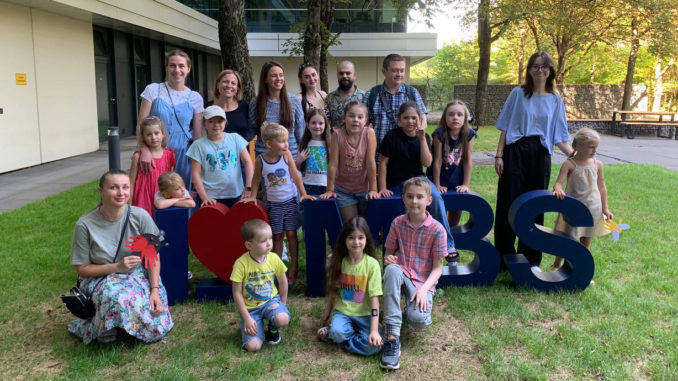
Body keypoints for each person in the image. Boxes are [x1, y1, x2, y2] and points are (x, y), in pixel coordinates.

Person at [68, 170, 173, 344]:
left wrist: (154, 289)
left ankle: (121, 321)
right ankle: (108, 325)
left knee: (154, 318)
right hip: (100, 276)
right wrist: (117, 267)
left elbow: (152, 255)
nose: (121, 193)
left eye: (125, 187)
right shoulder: (85, 225)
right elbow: (82, 269)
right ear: (100, 191)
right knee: (117, 297)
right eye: (113, 188)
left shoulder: (139, 216)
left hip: (135, 274)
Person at [494, 51, 573, 267]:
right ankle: (503, 257)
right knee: (508, 204)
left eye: (544, 66)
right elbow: (505, 126)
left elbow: (560, 137)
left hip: (540, 155)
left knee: (534, 206)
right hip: (515, 152)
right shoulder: (518, 93)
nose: (540, 70)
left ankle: (529, 258)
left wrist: (577, 157)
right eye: (535, 66)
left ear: (551, 70)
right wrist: (499, 155)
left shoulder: (556, 100)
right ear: (529, 70)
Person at [380, 177, 445, 370]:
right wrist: (388, 259)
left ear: (429, 200)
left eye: (419, 197)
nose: (414, 201)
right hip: (401, 272)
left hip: (422, 282)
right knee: (391, 270)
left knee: (417, 320)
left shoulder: (437, 230)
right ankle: (392, 338)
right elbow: (388, 255)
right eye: (410, 197)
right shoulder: (397, 223)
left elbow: (438, 268)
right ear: (403, 199)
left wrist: (424, 290)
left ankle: (408, 306)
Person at [378, 101, 457, 257]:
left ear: (419, 119)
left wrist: (421, 139)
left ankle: (448, 244)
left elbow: (427, 163)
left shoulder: (424, 137)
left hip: (418, 179)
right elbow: (383, 164)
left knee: (435, 197)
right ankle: (398, 250)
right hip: (397, 182)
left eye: (414, 118)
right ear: (399, 119)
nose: (410, 121)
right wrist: (382, 187)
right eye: (406, 118)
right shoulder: (392, 136)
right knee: (402, 207)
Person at [241, 122, 316, 285]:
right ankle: (277, 270)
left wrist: (303, 194)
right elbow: (256, 179)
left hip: (290, 202)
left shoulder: (287, 155)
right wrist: (253, 195)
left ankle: (294, 269)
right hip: (274, 205)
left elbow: (296, 176)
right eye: (282, 141)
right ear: (269, 144)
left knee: (291, 235)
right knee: (277, 236)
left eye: (287, 140)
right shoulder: (261, 160)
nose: (286, 144)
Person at [137, 49, 204, 188]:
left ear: (188, 68)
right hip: (155, 150)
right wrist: (144, 149)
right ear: (167, 67)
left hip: (184, 153)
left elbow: (198, 135)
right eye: (172, 65)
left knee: (181, 192)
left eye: (181, 66)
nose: (177, 70)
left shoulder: (195, 97)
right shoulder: (153, 90)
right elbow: (141, 125)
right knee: (154, 191)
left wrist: (198, 163)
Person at [317, 217, 382, 356]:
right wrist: (328, 312)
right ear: (344, 240)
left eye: (360, 237)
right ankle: (336, 333)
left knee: (373, 347)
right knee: (337, 332)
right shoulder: (338, 261)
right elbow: (334, 290)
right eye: (351, 237)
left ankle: (341, 339)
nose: (356, 242)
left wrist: (374, 329)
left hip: (365, 314)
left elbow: (374, 299)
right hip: (343, 313)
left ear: (366, 239)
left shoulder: (372, 265)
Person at [552, 128, 613, 270]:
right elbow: (558, 183)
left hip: (592, 208)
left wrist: (605, 208)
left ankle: (580, 268)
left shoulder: (598, 164)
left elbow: (602, 187)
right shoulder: (569, 164)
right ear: (578, 146)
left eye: (596, 147)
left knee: (586, 240)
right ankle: (556, 265)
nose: (595, 150)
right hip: (572, 208)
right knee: (565, 238)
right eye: (592, 147)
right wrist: (558, 188)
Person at [426, 100, 476, 263]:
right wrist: (437, 184)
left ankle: (450, 240)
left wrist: (466, 184)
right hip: (440, 177)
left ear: (465, 118)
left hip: (457, 177)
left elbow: (468, 160)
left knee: (456, 211)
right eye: (451, 114)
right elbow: (437, 161)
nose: (455, 117)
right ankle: (438, 240)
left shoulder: (469, 135)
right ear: (445, 117)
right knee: (440, 207)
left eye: (460, 114)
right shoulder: (439, 134)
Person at [230, 219, 290, 352]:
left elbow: (283, 282)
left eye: (270, 238)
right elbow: (237, 293)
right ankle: (256, 327)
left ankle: (273, 330)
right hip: (251, 309)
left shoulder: (274, 258)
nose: (269, 243)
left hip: (271, 302)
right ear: (249, 245)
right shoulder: (241, 264)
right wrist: (247, 318)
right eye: (263, 241)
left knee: (282, 318)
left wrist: (283, 304)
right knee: (254, 347)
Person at [320, 101, 380, 222]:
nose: (355, 120)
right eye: (351, 116)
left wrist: (373, 189)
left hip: (365, 188)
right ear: (344, 118)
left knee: (365, 225)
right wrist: (329, 189)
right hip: (343, 190)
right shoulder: (337, 135)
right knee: (352, 225)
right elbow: (333, 164)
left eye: (360, 117)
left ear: (366, 120)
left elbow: (370, 162)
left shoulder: (369, 133)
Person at [187, 105, 253, 208]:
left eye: (219, 121)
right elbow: (195, 173)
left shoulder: (235, 138)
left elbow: (248, 162)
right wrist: (204, 197)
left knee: (237, 223)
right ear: (204, 123)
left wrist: (249, 187)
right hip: (211, 197)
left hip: (236, 194)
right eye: (211, 121)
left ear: (225, 122)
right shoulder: (198, 145)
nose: (216, 125)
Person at [364, 53, 427, 156]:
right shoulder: (372, 94)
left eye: (402, 70)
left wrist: (421, 131)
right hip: (378, 156)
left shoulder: (412, 93)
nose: (399, 74)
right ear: (384, 71)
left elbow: (423, 117)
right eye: (394, 70)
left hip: (405, 156)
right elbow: (363, 123)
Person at [249, 61, 305, 159]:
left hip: (290, 158)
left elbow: (301, 134)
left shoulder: (294, 101)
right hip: (265, 160)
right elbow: (250, 132)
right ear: (265, 79)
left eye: (281, 75)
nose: (279, 79)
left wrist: (302, 158)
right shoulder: (256, 102)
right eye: (274, 76)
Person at [129, 116, 175, 217]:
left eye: (156, 133)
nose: (153, 137)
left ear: (163, 134)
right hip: (143, 199)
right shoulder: (138, 156)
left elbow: (170, 181)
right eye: (148, 135)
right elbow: (131, 183)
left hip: (161, 198)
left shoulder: (169, 155)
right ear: (143, 137)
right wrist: (128, 207)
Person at [295, 108, 331, 196]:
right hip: (307, 186)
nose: (317, 126)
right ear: (307, 125)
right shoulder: (303, 144)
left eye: (321, 123)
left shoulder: (330, 144)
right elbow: (296, 168)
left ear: (325, 125)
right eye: (313, 123)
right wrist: (299, 161)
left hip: (327, 186)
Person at [211, 69, 255, 142]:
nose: (229, 86)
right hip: (212, 152)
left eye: (233, 83)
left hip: (240, 151)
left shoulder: (245, 106)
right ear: (218, 84)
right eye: (225, 82)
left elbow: (252, 130)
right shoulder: (207, 108)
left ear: (237, 88)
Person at [326, 60, 366, 129]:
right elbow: (325, 123)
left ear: (354, 75)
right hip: (336, 139)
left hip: (358, 139)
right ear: (337, 75)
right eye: (341, 73)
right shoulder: (330, 98)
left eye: (348, 73)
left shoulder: (364, 97)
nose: (344, 76)